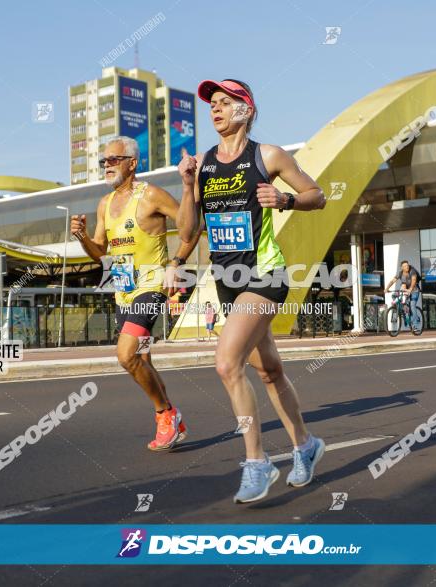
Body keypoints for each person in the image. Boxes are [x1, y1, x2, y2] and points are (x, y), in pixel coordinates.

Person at [178, 78, 327, 504]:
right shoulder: (203, 164)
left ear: (247, 109)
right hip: (228, 281)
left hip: (265, 276)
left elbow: (317, 196)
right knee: (269, 371)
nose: (215, 110)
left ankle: (257, 461)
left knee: (227, 363)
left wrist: (284, 201)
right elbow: (188, 232)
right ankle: (305, 445)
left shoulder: (268, 156)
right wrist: (187, 187)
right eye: (212, 105)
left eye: (225, 102)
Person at [71, 136, 199, 450]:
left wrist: (176, 262)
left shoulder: (151, 195)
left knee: (125, 355)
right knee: (142, 358)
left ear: (132, 162)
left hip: (151, 287)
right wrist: (82, 237)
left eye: (114, 159)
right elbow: (100, 252)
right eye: (104, 161)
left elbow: (191, 227)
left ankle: (165, 413)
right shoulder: (104, 204)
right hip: (123, 290)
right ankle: (172, 421)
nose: (107, 166)